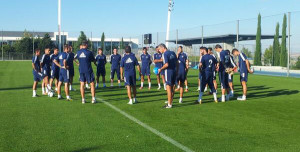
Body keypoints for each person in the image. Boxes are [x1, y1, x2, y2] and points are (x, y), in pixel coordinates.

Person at [158, 44, 178, 109]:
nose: (159, 50)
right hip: (174, 71)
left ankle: (169, 104)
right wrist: (177, 71)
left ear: (163, 48)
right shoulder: (173, 53)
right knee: (173, 87)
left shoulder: (165, 54)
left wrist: (160, 69)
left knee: (168, 87)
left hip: (168, 71)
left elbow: (166, 64)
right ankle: (170, 102)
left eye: (159, 49)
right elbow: (177, 63)